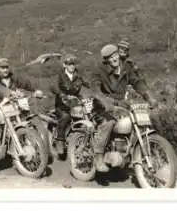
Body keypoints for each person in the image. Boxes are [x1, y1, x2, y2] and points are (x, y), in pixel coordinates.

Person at [90, 44, 156, 172]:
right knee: (109, 122)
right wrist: (105, 101)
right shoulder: (100, 70)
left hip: (121, 105)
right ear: (106, 60)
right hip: (103, 106)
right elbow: (95, 89)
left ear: (119, 54)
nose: (114, 59)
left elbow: (137, 82)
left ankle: (132, 152)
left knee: (136, 120)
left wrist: (148, 96)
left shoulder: (126, 67)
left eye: (115, 55)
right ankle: (98, 157)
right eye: (110, 58)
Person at [49, 54, 91, 156]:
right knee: (65, 116)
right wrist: (62, 94)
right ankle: (60, 140)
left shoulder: (78, 76)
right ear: (64, 65)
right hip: (62, 105)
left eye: (73, 64)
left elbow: (89, 84)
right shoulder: (60, 75)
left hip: (76, 103)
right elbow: (53, 86)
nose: (72, 66)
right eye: (69, 64)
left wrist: (96, 87)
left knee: (90, 115)